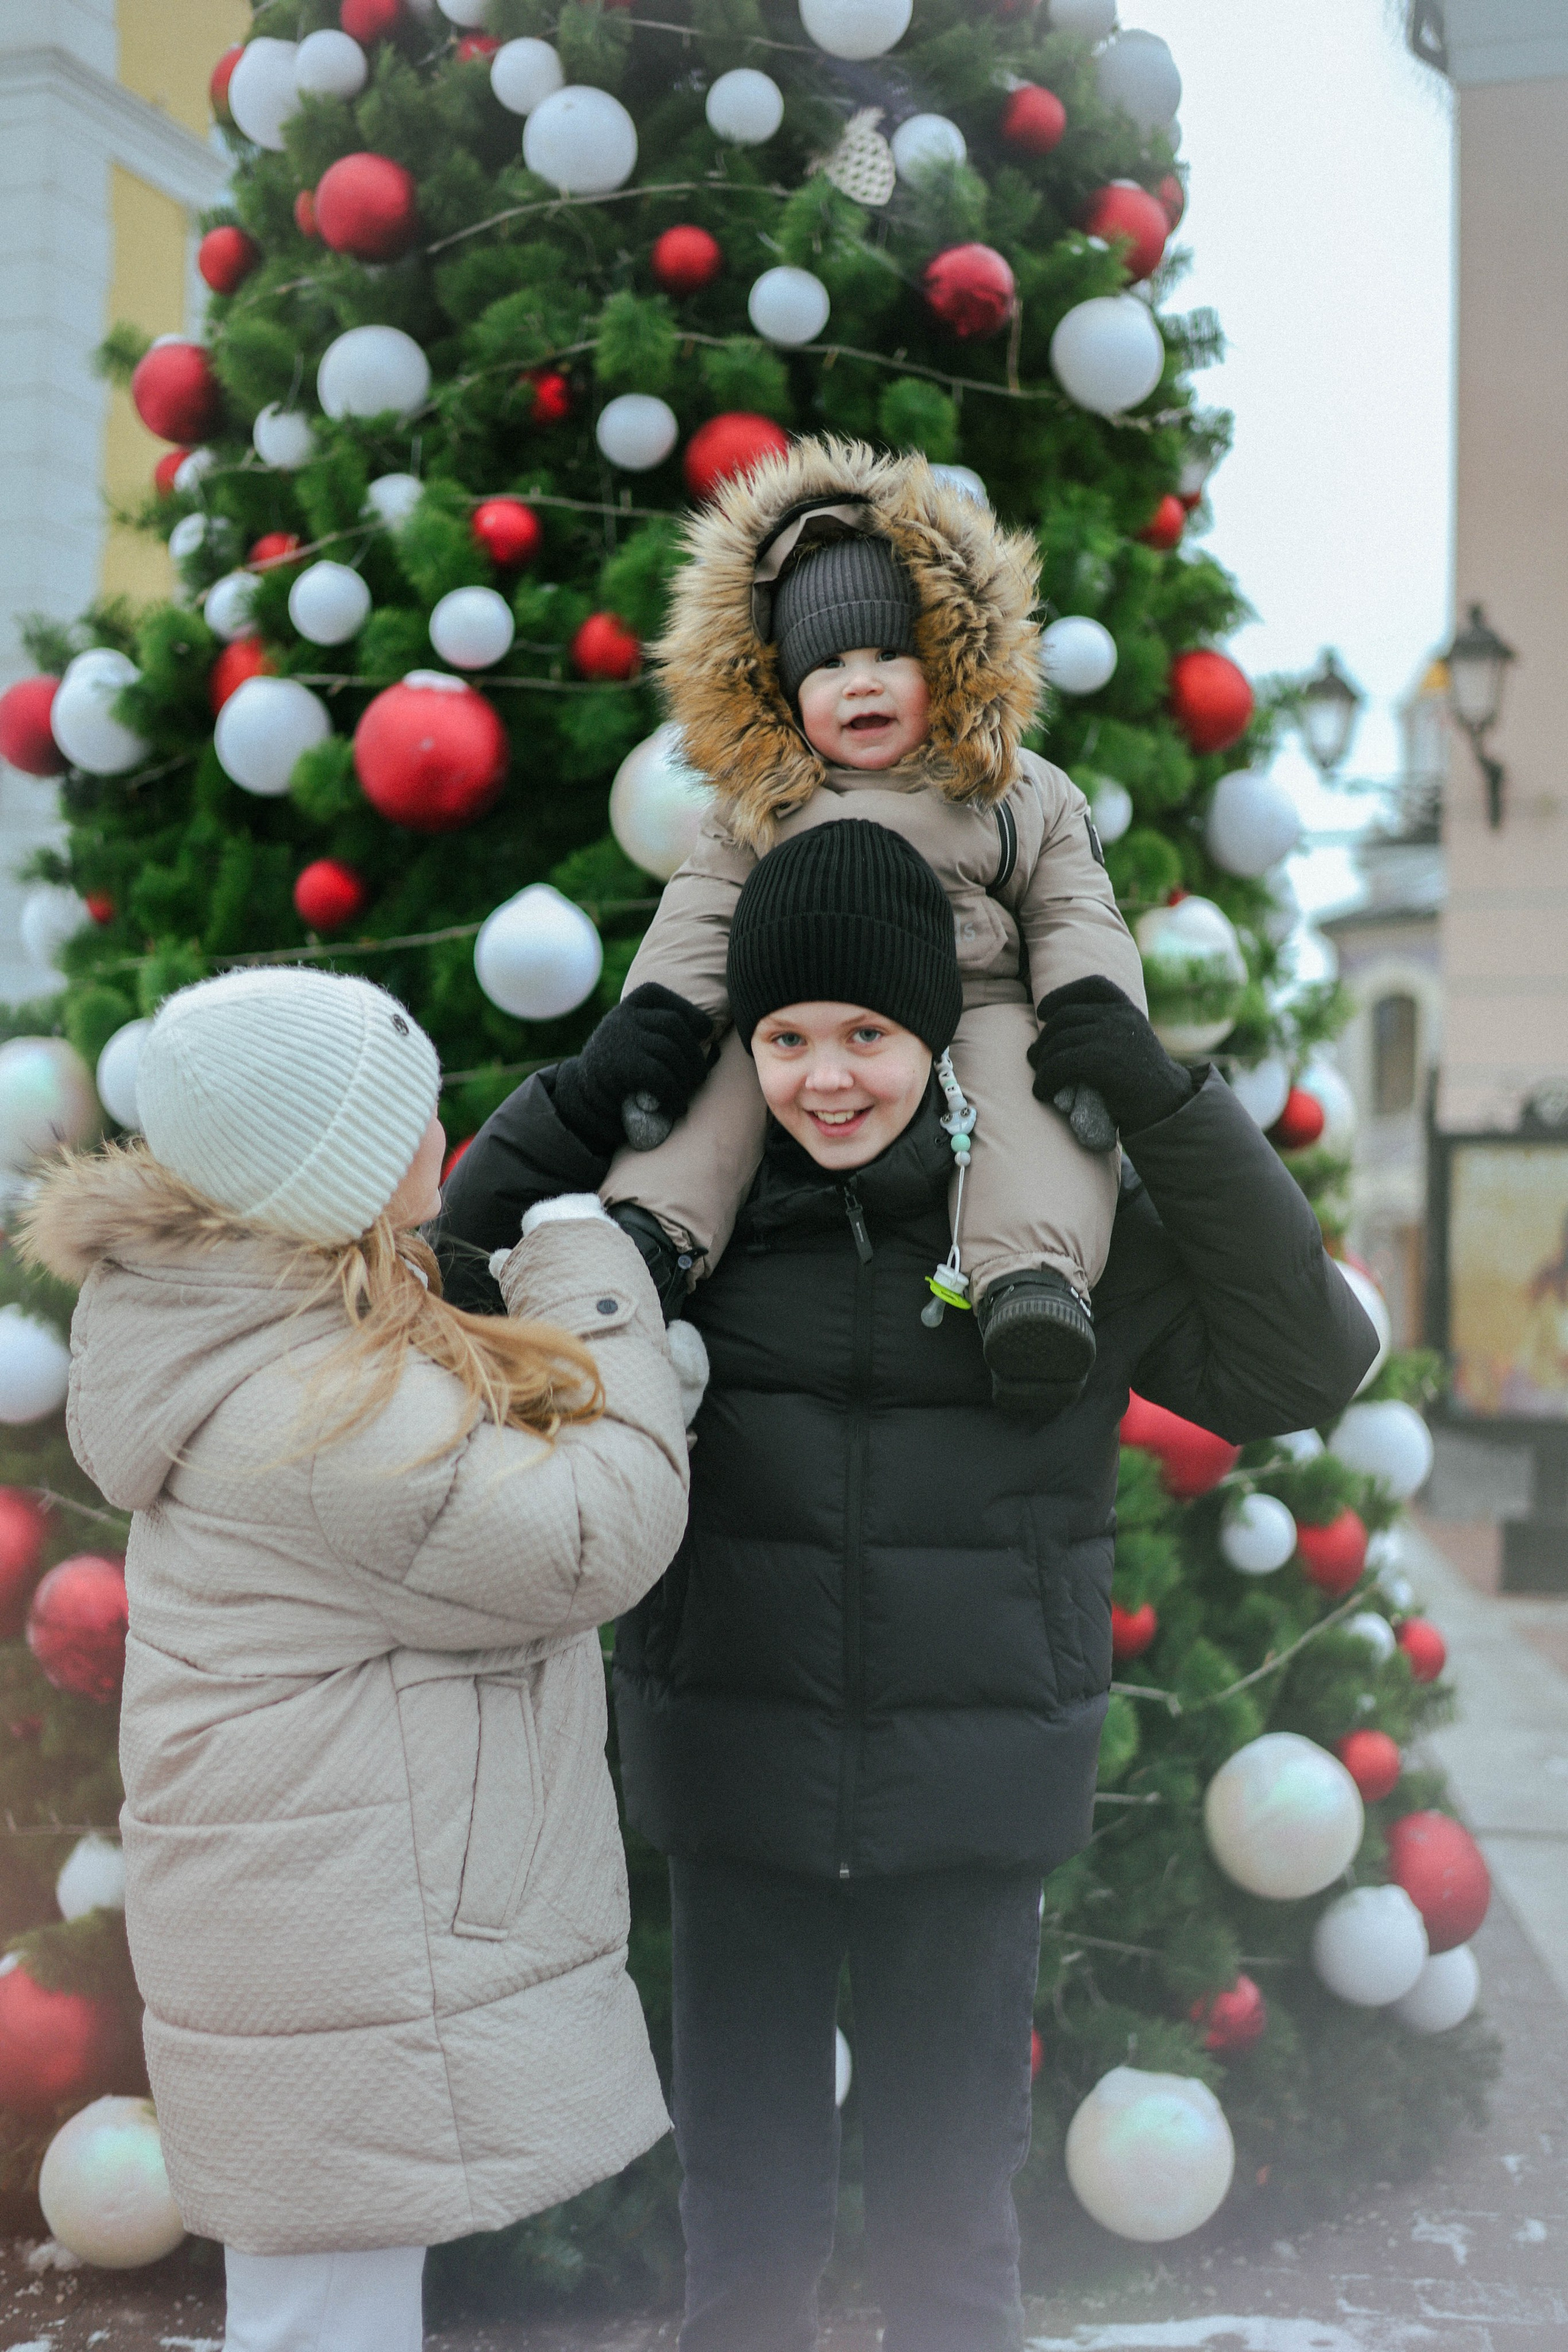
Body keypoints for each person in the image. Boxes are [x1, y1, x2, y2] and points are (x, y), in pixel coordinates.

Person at [435, 824, 1380, 2352]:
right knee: (743, 2241)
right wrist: (595, 1085)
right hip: (734, 1774)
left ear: (934, 1034)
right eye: (784, 1037)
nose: (824, 1079)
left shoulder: (1054, 1237)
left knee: (951, 2246)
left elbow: (1306, 1362)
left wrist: (1160, 1102)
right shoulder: (679, 1234)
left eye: (866, 1035)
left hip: (973, 1793)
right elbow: (451, 1286)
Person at [21, 967, 691, 2352]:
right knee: (324, 2313)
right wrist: (590, 1274)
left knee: (322, 2294)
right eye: (406, 1117)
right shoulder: (318, 1408)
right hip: (336, 1921)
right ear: (329, 1177)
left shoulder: (250, 1319)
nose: (437, 1134)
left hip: (308, 1902)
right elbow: (588, 1537)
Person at [597, 436, 1148, 1416]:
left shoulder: (1013, 792)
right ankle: (651, 1238)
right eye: (829, 666)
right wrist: (662, 1021)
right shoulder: (765, 800)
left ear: (949, 662)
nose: (862, 683)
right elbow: (701, 915)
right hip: (806, 1006)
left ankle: (1030, 1281)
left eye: (891, 656)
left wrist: (1091, 1017)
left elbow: (1072, 909)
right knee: (728, 1075)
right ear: (780, 689)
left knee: (1021, 1087)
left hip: (974, 999)